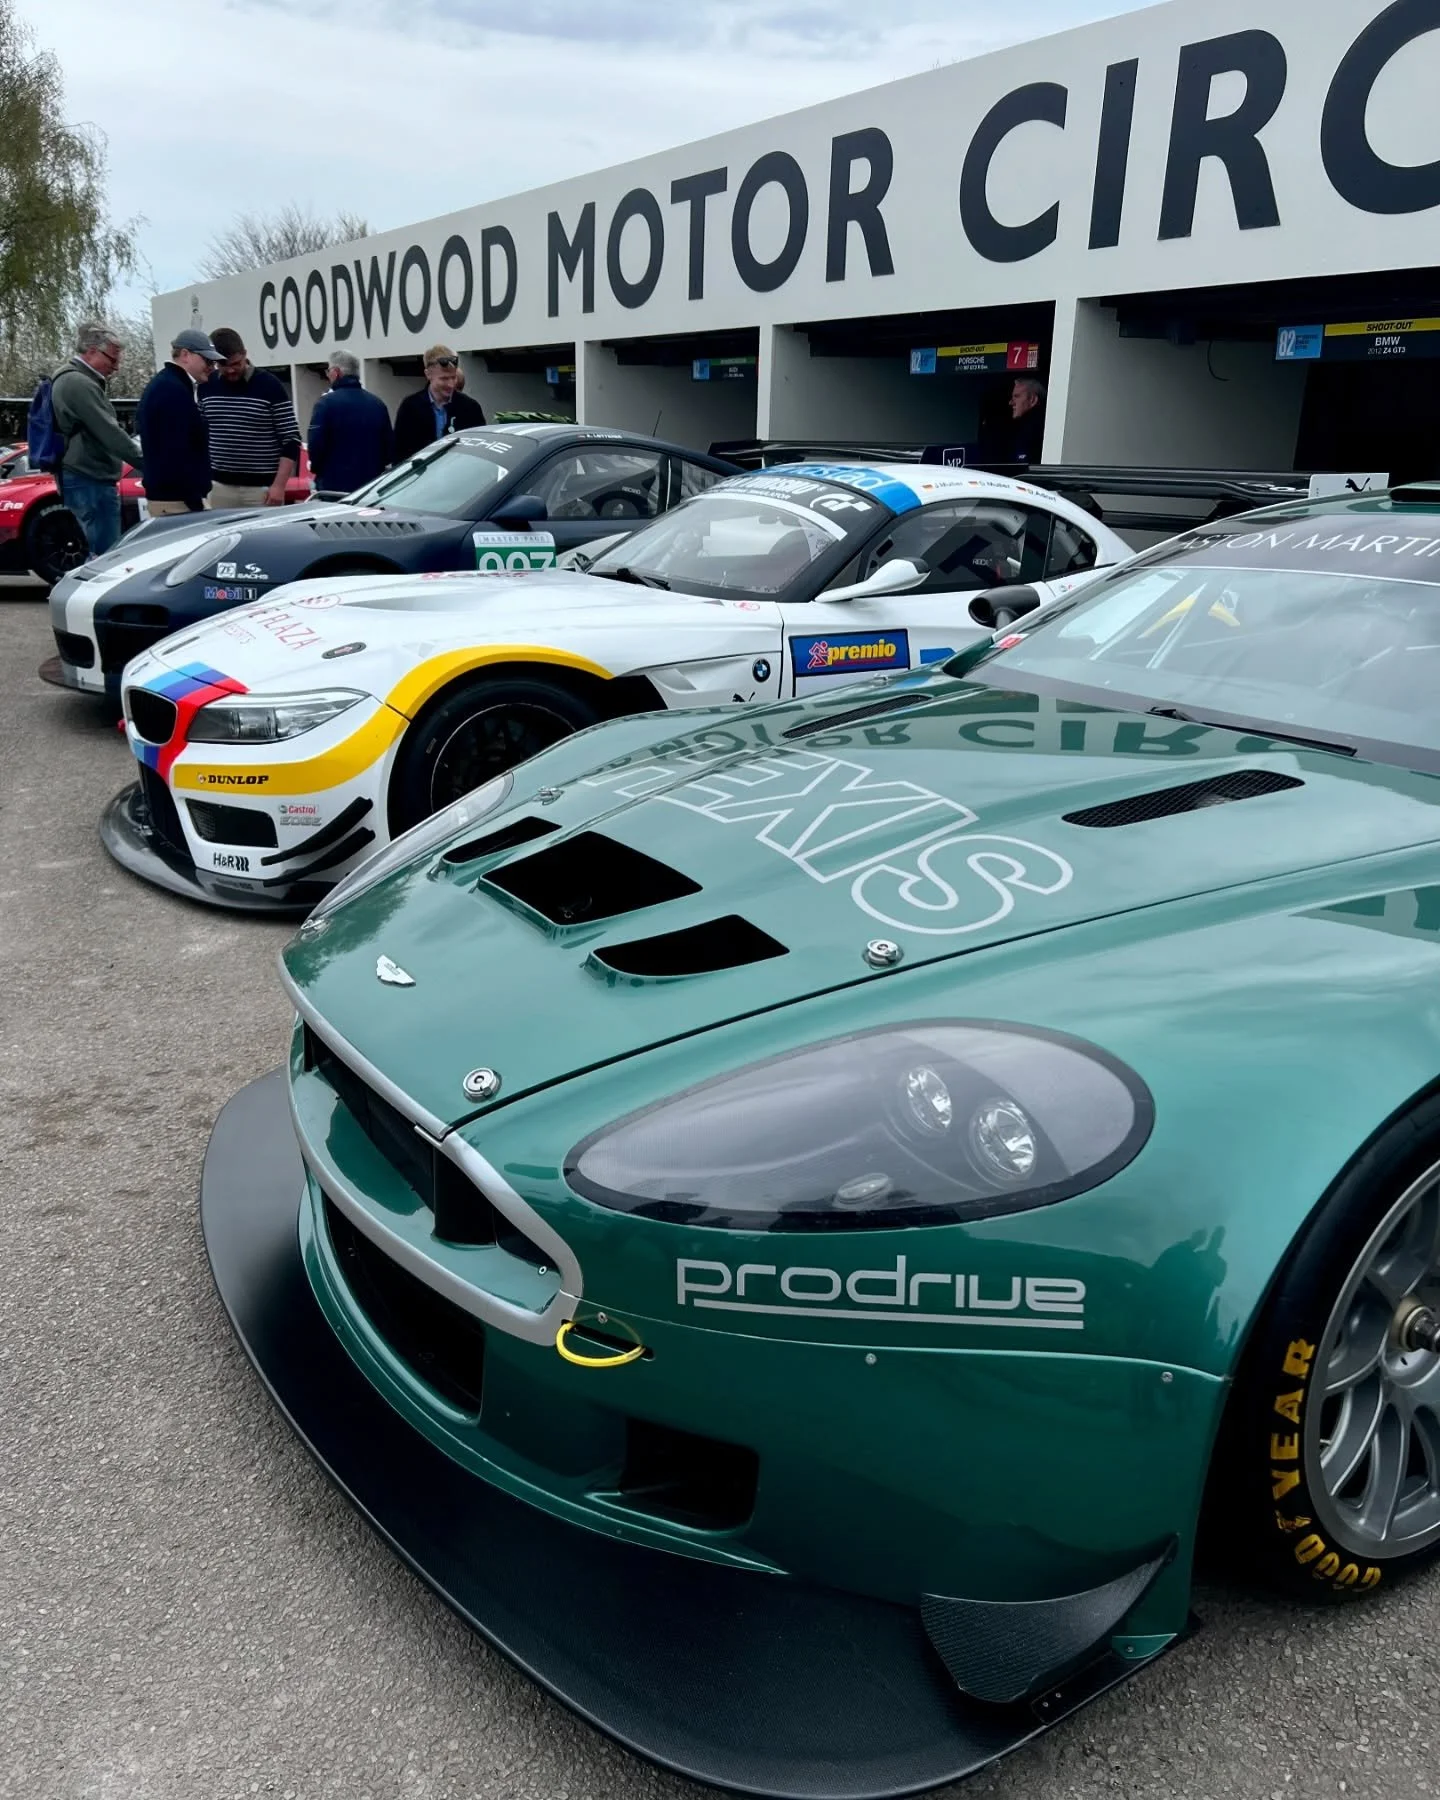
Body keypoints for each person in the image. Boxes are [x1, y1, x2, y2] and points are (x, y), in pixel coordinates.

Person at [49, 322, 142, 558]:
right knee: (105, 555)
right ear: (91, 351)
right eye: (112, 359)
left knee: (100, 551)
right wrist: (148, 463)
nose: (116, 367)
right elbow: (108, 432)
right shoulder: (78, 383)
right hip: (89, 476)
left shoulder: (73, 379)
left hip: (84, 475)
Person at [200, 327, 303, 508]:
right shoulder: (206, 386)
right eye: (224, 365)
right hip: (219, 487)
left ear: (245, 354)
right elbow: (201, 434)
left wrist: (279, 486)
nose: (231, 370)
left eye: (236, 363)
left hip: (262, 489)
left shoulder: (270, 385)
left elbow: (291, 439)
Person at [136, 328, 224, 515]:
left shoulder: (167, 385)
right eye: (207, 360)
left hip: (175, 499)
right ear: (185, 355)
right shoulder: (172, 391)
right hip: (177, 502)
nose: (212, 367)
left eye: (214, 362)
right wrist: (194, 500)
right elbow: (176, 452)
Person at [306, 350, 394, 494]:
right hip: (370, 489)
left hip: (334, 489)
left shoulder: (324, 404)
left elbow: (316, 447)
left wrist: (319, 470)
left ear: (335, 372)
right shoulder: (378, 404)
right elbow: (389, 450)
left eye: (328, 371)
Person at [392, 345, 486, 463]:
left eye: (453, 378)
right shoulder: (410, 407)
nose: (451, 384)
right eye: (444, 379)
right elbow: (399, 454)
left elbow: (481, 453)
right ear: (428, 375)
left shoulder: (470, 408)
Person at [1005, 376, 1047, 465]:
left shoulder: (1034, 430)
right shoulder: (1022, 427)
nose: (1011, 402)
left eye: (1017, 396)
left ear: (1032, 399)